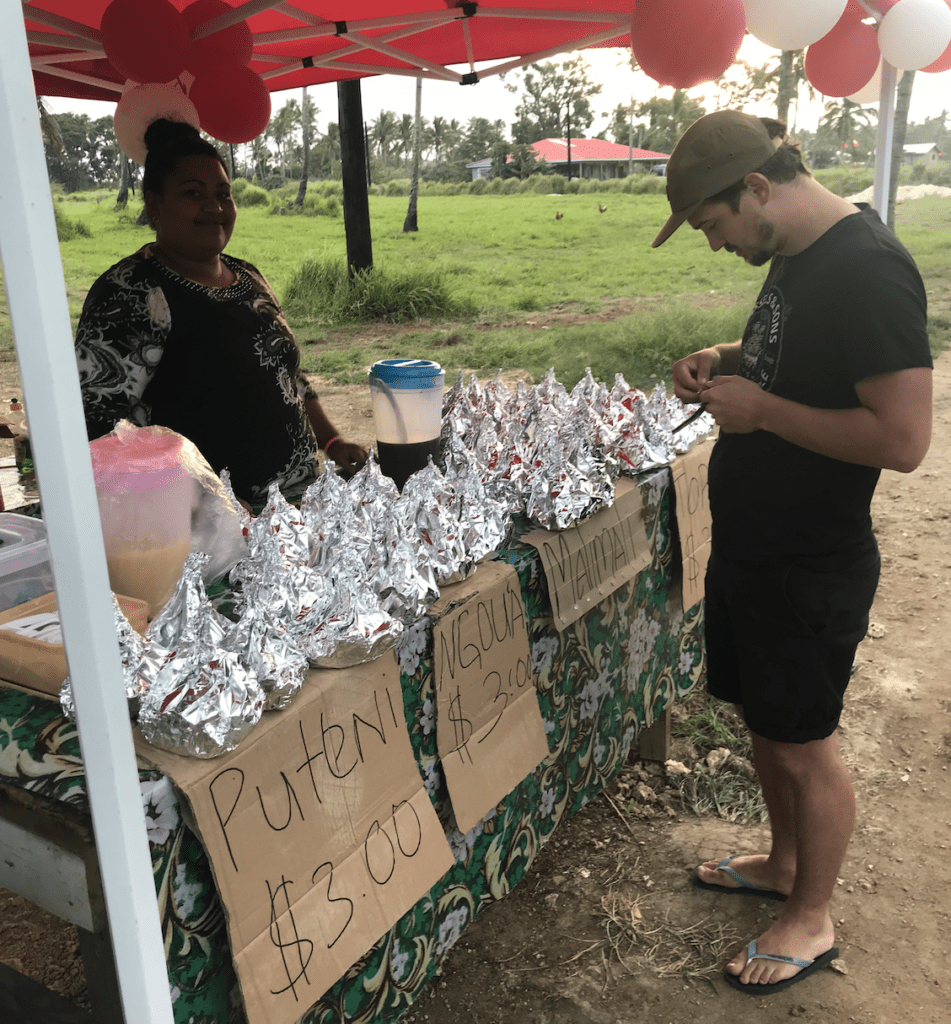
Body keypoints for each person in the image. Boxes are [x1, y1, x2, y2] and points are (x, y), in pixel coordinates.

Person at [656, 111, 933, 995]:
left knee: (805, 743)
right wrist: (724, 355)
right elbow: (796, 356)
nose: (714, 245)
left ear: (757, 189)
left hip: (808, 559)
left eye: (713, 225)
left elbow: (902, 437)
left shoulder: (867, 270)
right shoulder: (798, 254)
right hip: (757, 546)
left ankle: (809, 917)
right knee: (766, 725)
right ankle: (781, 864)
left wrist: (763, 413)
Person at [75, 118, 368, 510]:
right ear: (155, 205)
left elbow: (287, 373)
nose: (214, 207)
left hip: (298, 505)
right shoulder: (131, 292)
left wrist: (331, 441)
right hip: (213, 526)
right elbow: (98, 428)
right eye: (193, 193)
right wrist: (205, 496)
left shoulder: (248, 276)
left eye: (223, 194)